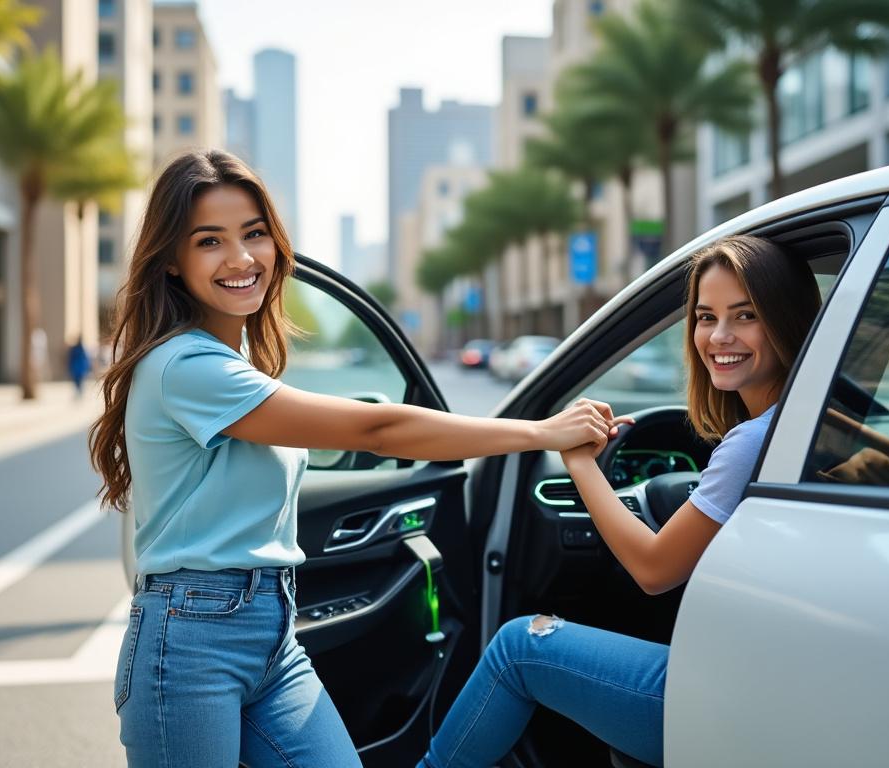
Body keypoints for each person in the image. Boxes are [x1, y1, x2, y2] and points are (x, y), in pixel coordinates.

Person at [87, 150, 622, 768]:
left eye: (254, 234)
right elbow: (379, 427)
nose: (240, 258)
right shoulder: (188, 367)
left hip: (271, 633)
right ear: (173, 263)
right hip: (189, 643)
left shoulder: (234, 366)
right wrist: (541, 432)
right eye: (210, 241)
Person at [417, 235, 822, 768]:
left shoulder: (750, 443)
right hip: (792, 685)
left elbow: (654, 568)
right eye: (705, 317)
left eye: (744, 315)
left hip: (735, 699)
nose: (720, 336)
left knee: (519, 646)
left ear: (786, 320)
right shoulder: (821, 424)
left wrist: (581, 462)